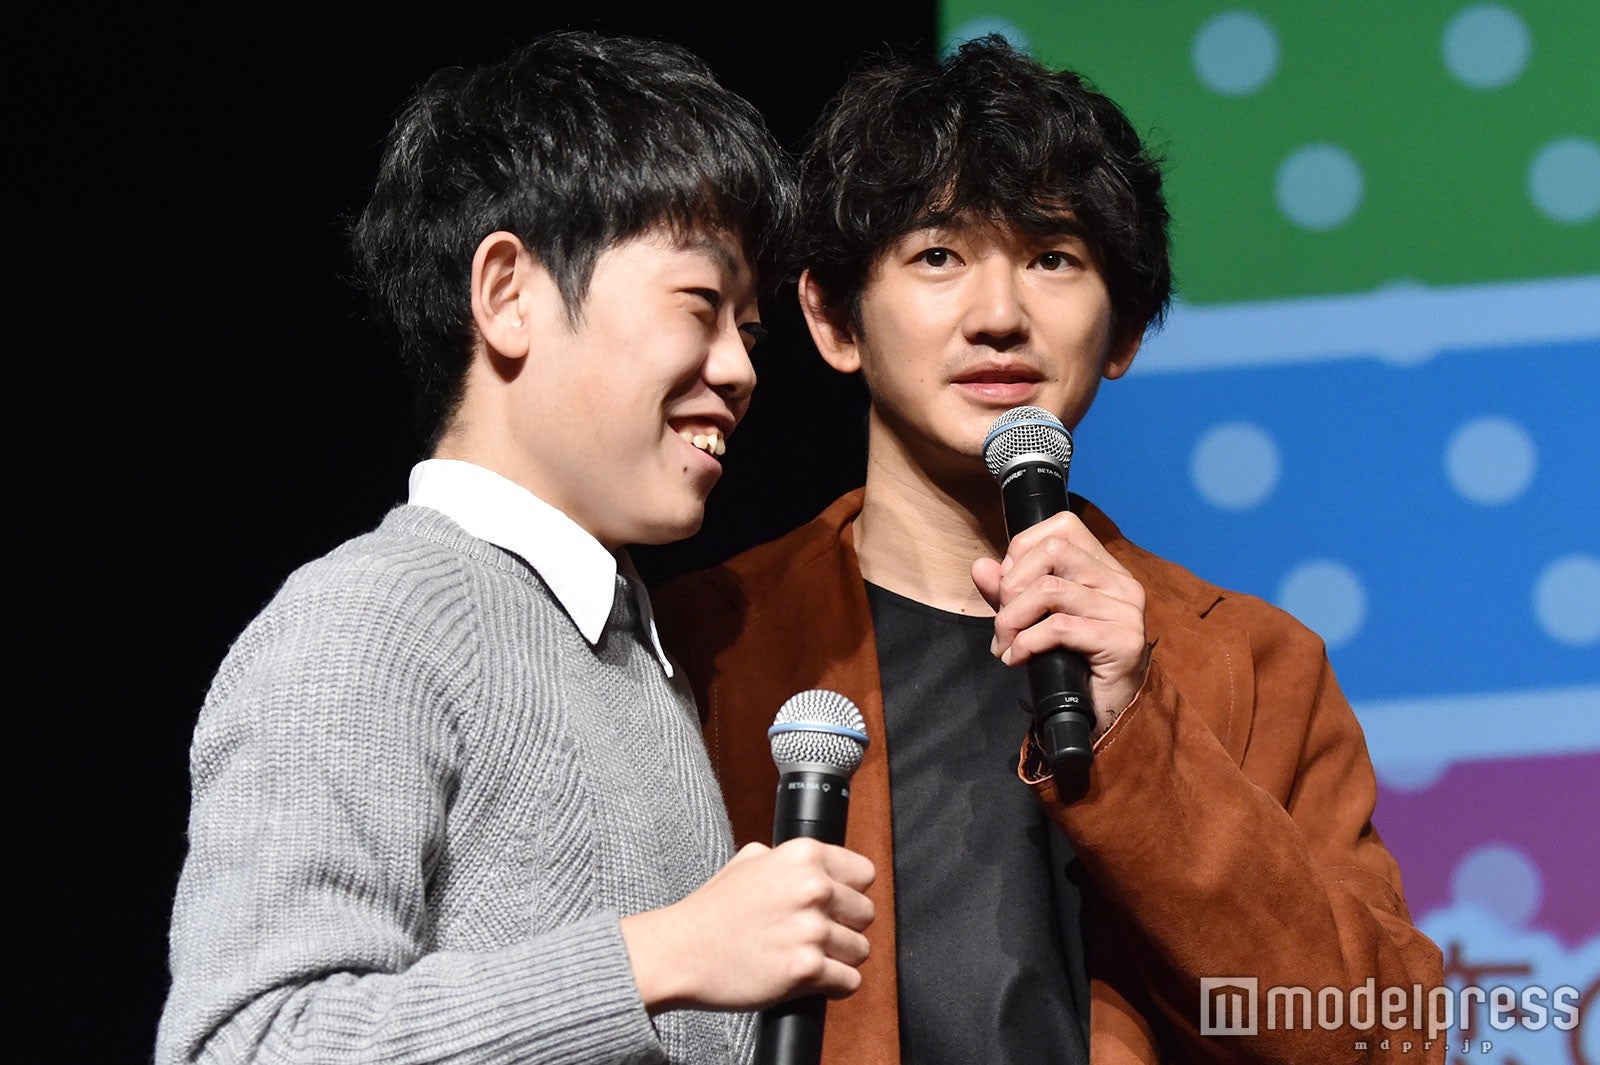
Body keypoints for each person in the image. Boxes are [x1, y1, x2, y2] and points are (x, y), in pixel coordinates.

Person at [655, 36, 1445, 1064]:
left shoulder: (1257, 666)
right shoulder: (704, 644)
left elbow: (1383, 1038)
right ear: (834, 318)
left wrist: (1142, 735)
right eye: (938, 256)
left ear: (1124, 331)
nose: (999, 317)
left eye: (1053, 259)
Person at [156, 31, 876, 1065]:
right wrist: (659, 955)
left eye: (749, 331)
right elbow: (249, 1042)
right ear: (507, 294)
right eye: (700, 305)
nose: (738, 368)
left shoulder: (634, 651)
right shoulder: (365, 621)